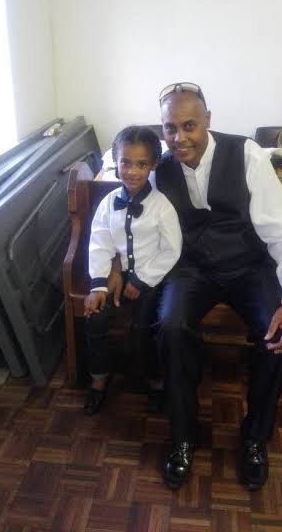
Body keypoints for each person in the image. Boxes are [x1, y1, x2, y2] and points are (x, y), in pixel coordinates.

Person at [153, 82, 282, 491]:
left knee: (274, 333)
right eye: (170, 128)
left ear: (207, 120)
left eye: (189, 125)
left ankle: (255, 438)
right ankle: (182, 436)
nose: (179, 138)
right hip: (192, 268)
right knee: (170, 327)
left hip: (247, 265)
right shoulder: (159, 168)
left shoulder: (247, 155)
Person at [83, 125, 182, 415]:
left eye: (141, 164)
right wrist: (98, 284)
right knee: (95, 321)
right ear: (116, 162)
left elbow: (171, 250)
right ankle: (99, 378)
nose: (132, 172)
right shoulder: (108, 203)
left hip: (150, 278)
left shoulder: (162, 206)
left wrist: (140, 280)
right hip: (115, 274)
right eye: (125, 162)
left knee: (143, 331)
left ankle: (154, 380)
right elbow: (100, 242)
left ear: (153, 165)